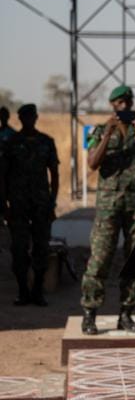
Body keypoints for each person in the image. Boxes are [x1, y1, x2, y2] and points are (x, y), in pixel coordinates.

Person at [80, 84, 135, 335]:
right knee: (100, 258)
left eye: (127, 102)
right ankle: (89, 314)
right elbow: (92, 163)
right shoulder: (100, 131)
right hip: (109, 205)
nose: (124, 106)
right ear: (112, 105)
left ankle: (127, 313)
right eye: (119, 103)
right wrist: (107, 133)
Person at [0, 103, 58, 306]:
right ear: (20, 118)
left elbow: (54, 173)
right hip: (18, 205)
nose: (28, 120)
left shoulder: (46, 142)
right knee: (18, 249)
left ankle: (37, 291)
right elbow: (3, 176)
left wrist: (52, 202)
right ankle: (22, 291)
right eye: (24, 116)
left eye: (31, 116)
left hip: (41, 204)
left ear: (36, 117)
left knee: (41, 248)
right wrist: (4, 205)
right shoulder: (11, 143)